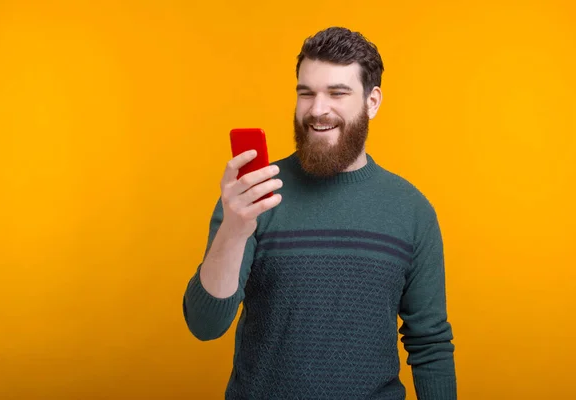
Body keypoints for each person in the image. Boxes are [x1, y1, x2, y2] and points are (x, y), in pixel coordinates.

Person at [183, 26, 457, 400]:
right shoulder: (252, 196)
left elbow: (430, 343)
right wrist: (234, 230)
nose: (317, 109)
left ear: (372, 102)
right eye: (306, 93)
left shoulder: (411, 210)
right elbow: (205, 324)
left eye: (337, 93)